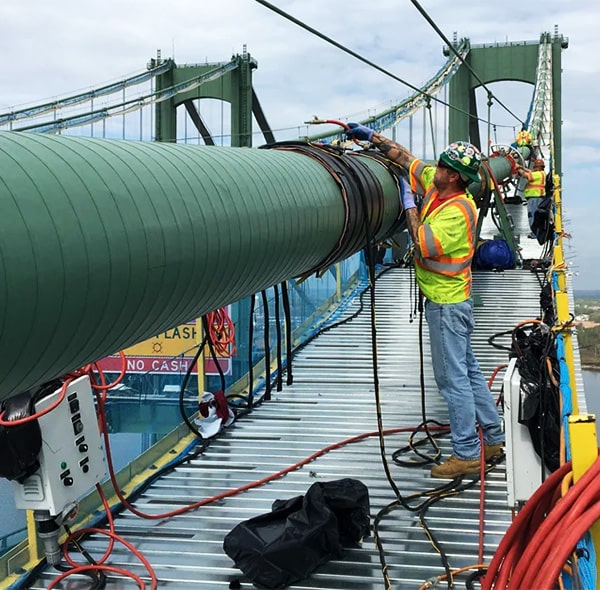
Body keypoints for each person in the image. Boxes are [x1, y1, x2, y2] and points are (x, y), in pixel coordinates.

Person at [345, 123, 505, 478]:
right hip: (453, 302)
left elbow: (422, 243)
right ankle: (493, 438)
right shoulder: (438, 183)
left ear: (456, 177)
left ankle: (466, 453)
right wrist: (373, 138)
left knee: (452, 380)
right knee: (469, 372)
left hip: (447, 304)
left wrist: (408, 206)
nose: (437, 168)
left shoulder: (458, 210)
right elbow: (408, 160)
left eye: (444, 166)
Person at [517, 159, 546, 239]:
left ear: (537, 167)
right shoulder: (541, 173)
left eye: (535, 167)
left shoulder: (537, 174)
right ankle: (536, 232)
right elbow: (530, 172)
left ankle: (534, 233)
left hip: (534, 198)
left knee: (532, 216)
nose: (534, 168)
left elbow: (526, 175)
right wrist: (521, 167)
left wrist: (519, 169)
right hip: (537, 198)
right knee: (536, 216)